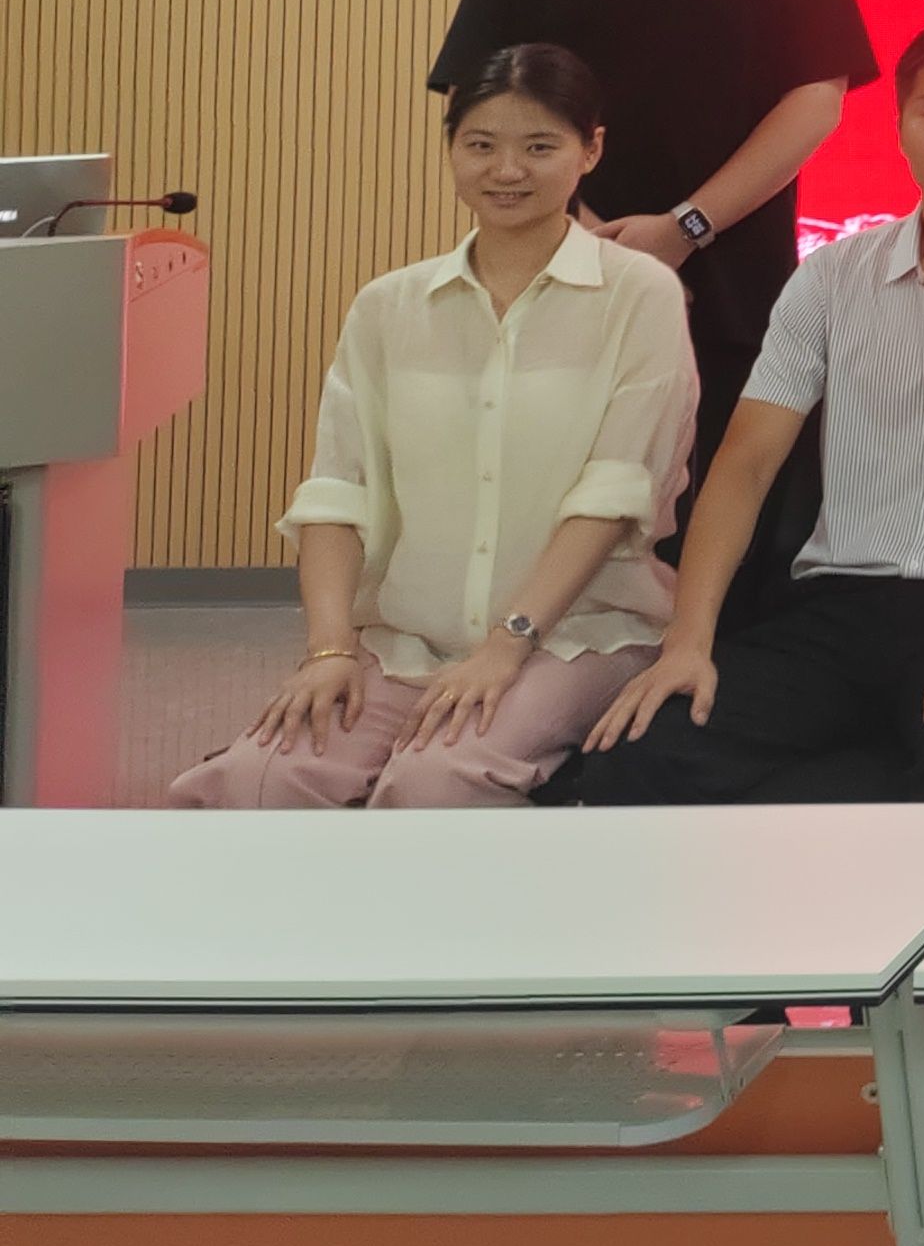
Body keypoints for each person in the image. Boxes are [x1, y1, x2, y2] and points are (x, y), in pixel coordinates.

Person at [572, 17, 924, 803]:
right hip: (836, 602)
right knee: (640, 758)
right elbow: (745, 463)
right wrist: (688, 642)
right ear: (900, 130)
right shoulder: (831, 278)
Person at [173, 47, 692, 809]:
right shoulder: (390, 305)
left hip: (578, 636)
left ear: (591, 150)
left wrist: (505, 646)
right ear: (451, 149)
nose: (506, 170)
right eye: (480, 144)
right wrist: (329, 649)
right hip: (406, 643)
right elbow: (336, 491)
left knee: (436, 783)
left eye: (539, 147)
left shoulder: (638, 294)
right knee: (258, 780)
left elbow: (614, 495)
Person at [431, 0, 877, 479]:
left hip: (736, 292)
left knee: (729, 499)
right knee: (556, 488)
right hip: (557, 273)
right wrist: (580, 231)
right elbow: (480, 105)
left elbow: (816, 100)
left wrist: (685, 227)